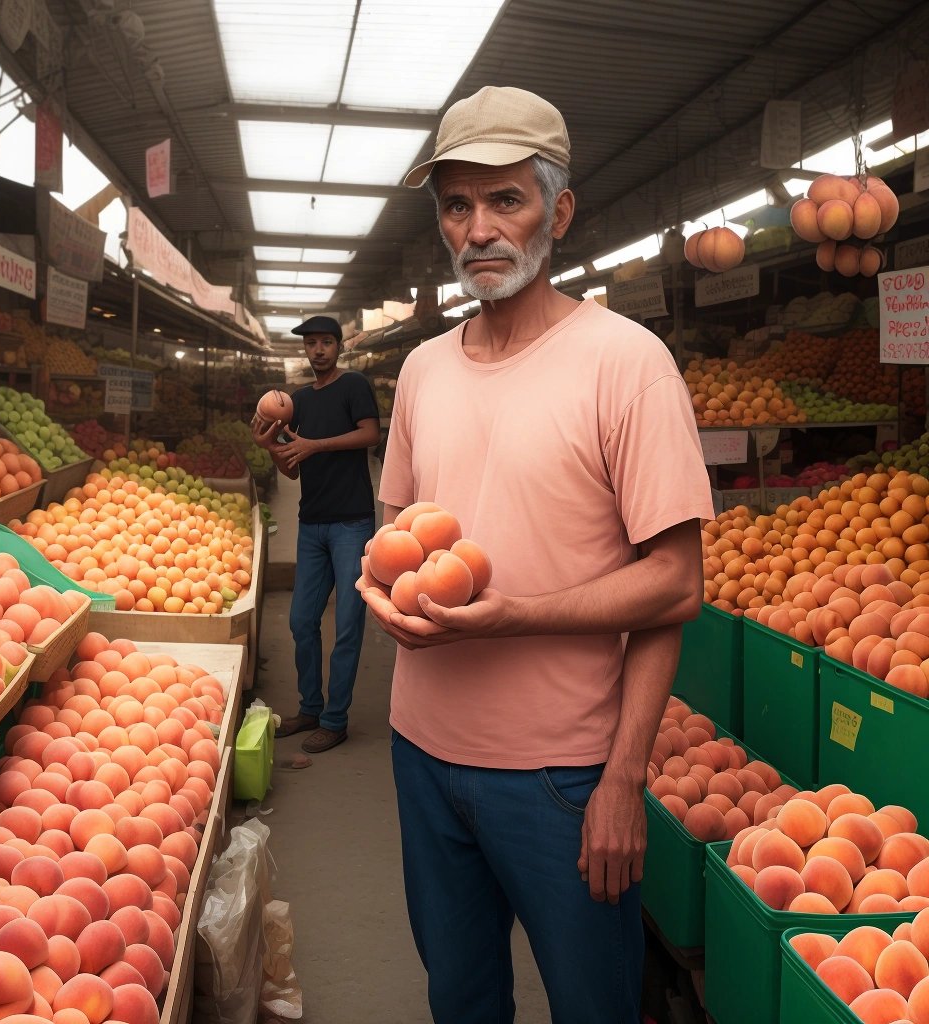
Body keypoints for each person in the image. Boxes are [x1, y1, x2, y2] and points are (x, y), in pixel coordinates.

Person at [357, 86, 715, 1023]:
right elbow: (392, 538)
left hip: (563, 776)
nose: (479, 228)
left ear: (557, 211)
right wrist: (376, 591)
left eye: (506, 200)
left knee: (592, 1005)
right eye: (457, 205)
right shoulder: (423, 370)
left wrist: (623, 779)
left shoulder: (627, 363)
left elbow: (675, 584)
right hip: (422, 754)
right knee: (460, 996)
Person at [253, 315, 380, 754]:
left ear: (338, 346)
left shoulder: (354, 386)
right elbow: (290, 469)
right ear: (305, 350)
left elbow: (370, 433)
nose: (319, 350)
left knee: (347, 623)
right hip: (313, 523)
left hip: (352, 522)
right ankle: (310, 706)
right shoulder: (298, 402)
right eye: (312, 343)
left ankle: (335, 719)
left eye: (327, 342)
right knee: (301, 620)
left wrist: (316, 445)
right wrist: (271, 447)